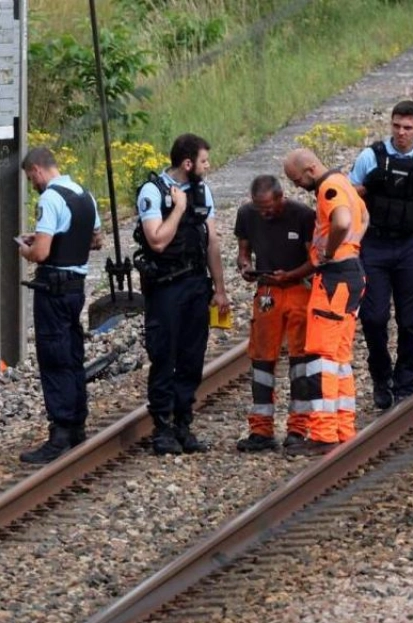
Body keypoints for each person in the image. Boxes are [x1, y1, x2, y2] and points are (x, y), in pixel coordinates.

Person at [133, 133, 230, 455]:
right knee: (164, 356)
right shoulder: (154, 192)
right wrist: (178, 209)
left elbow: (212, 241)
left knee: (191, 357)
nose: (208, 166)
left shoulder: (203, 191)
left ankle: (183, 424)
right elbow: (157, 240)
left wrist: (219, 289)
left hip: (195, 284)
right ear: (187, 164)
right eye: (203, 161)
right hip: (165, 287)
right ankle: (162, 428)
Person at [348, 100, 413, 409]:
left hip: (409, 245)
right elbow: (348, 195)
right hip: (374, 244)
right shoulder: (370, 157)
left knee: (411, 316)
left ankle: (406, 377)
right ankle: (381, 376)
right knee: (374, 317)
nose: (401, 133)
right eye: (396, 126)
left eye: (407, 128)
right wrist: (368, 187)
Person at [17, 146, 101, 465]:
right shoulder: (84, 195)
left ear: (38, 170)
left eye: (30, 178)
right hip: (76, 287)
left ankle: (61, 430)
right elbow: (96, 240)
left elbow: (40, 254)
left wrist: (26, 248)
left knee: (53, 356)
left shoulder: (50, 198)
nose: (31, 183)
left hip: (52, 288)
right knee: (72, 353)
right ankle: (77, 422)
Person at [283, 148, 368, 455]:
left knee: (321, 357)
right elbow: (364, 216)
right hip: (352, 273)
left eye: (296, 179)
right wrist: (351, 247)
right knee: (340, 358)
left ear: (309, 168)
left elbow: (343, 221)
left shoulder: (328, 188)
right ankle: (344, 428)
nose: (296, 186)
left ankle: (322, 433)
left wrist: (331, 252)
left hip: (334, 278)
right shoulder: (343, 182)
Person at [234, 175, 317, 452]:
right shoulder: (247, 214)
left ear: (281, 197)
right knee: (261, 359)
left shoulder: (303, 216)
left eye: (268, 206)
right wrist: (245, 266)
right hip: (267, 291)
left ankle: (298, 428)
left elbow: (315, 260)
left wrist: (290, 275)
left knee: (301, 359)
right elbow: (243, 251)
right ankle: (261, 429)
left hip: (298, 290)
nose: (264, 212)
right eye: (259, 207)